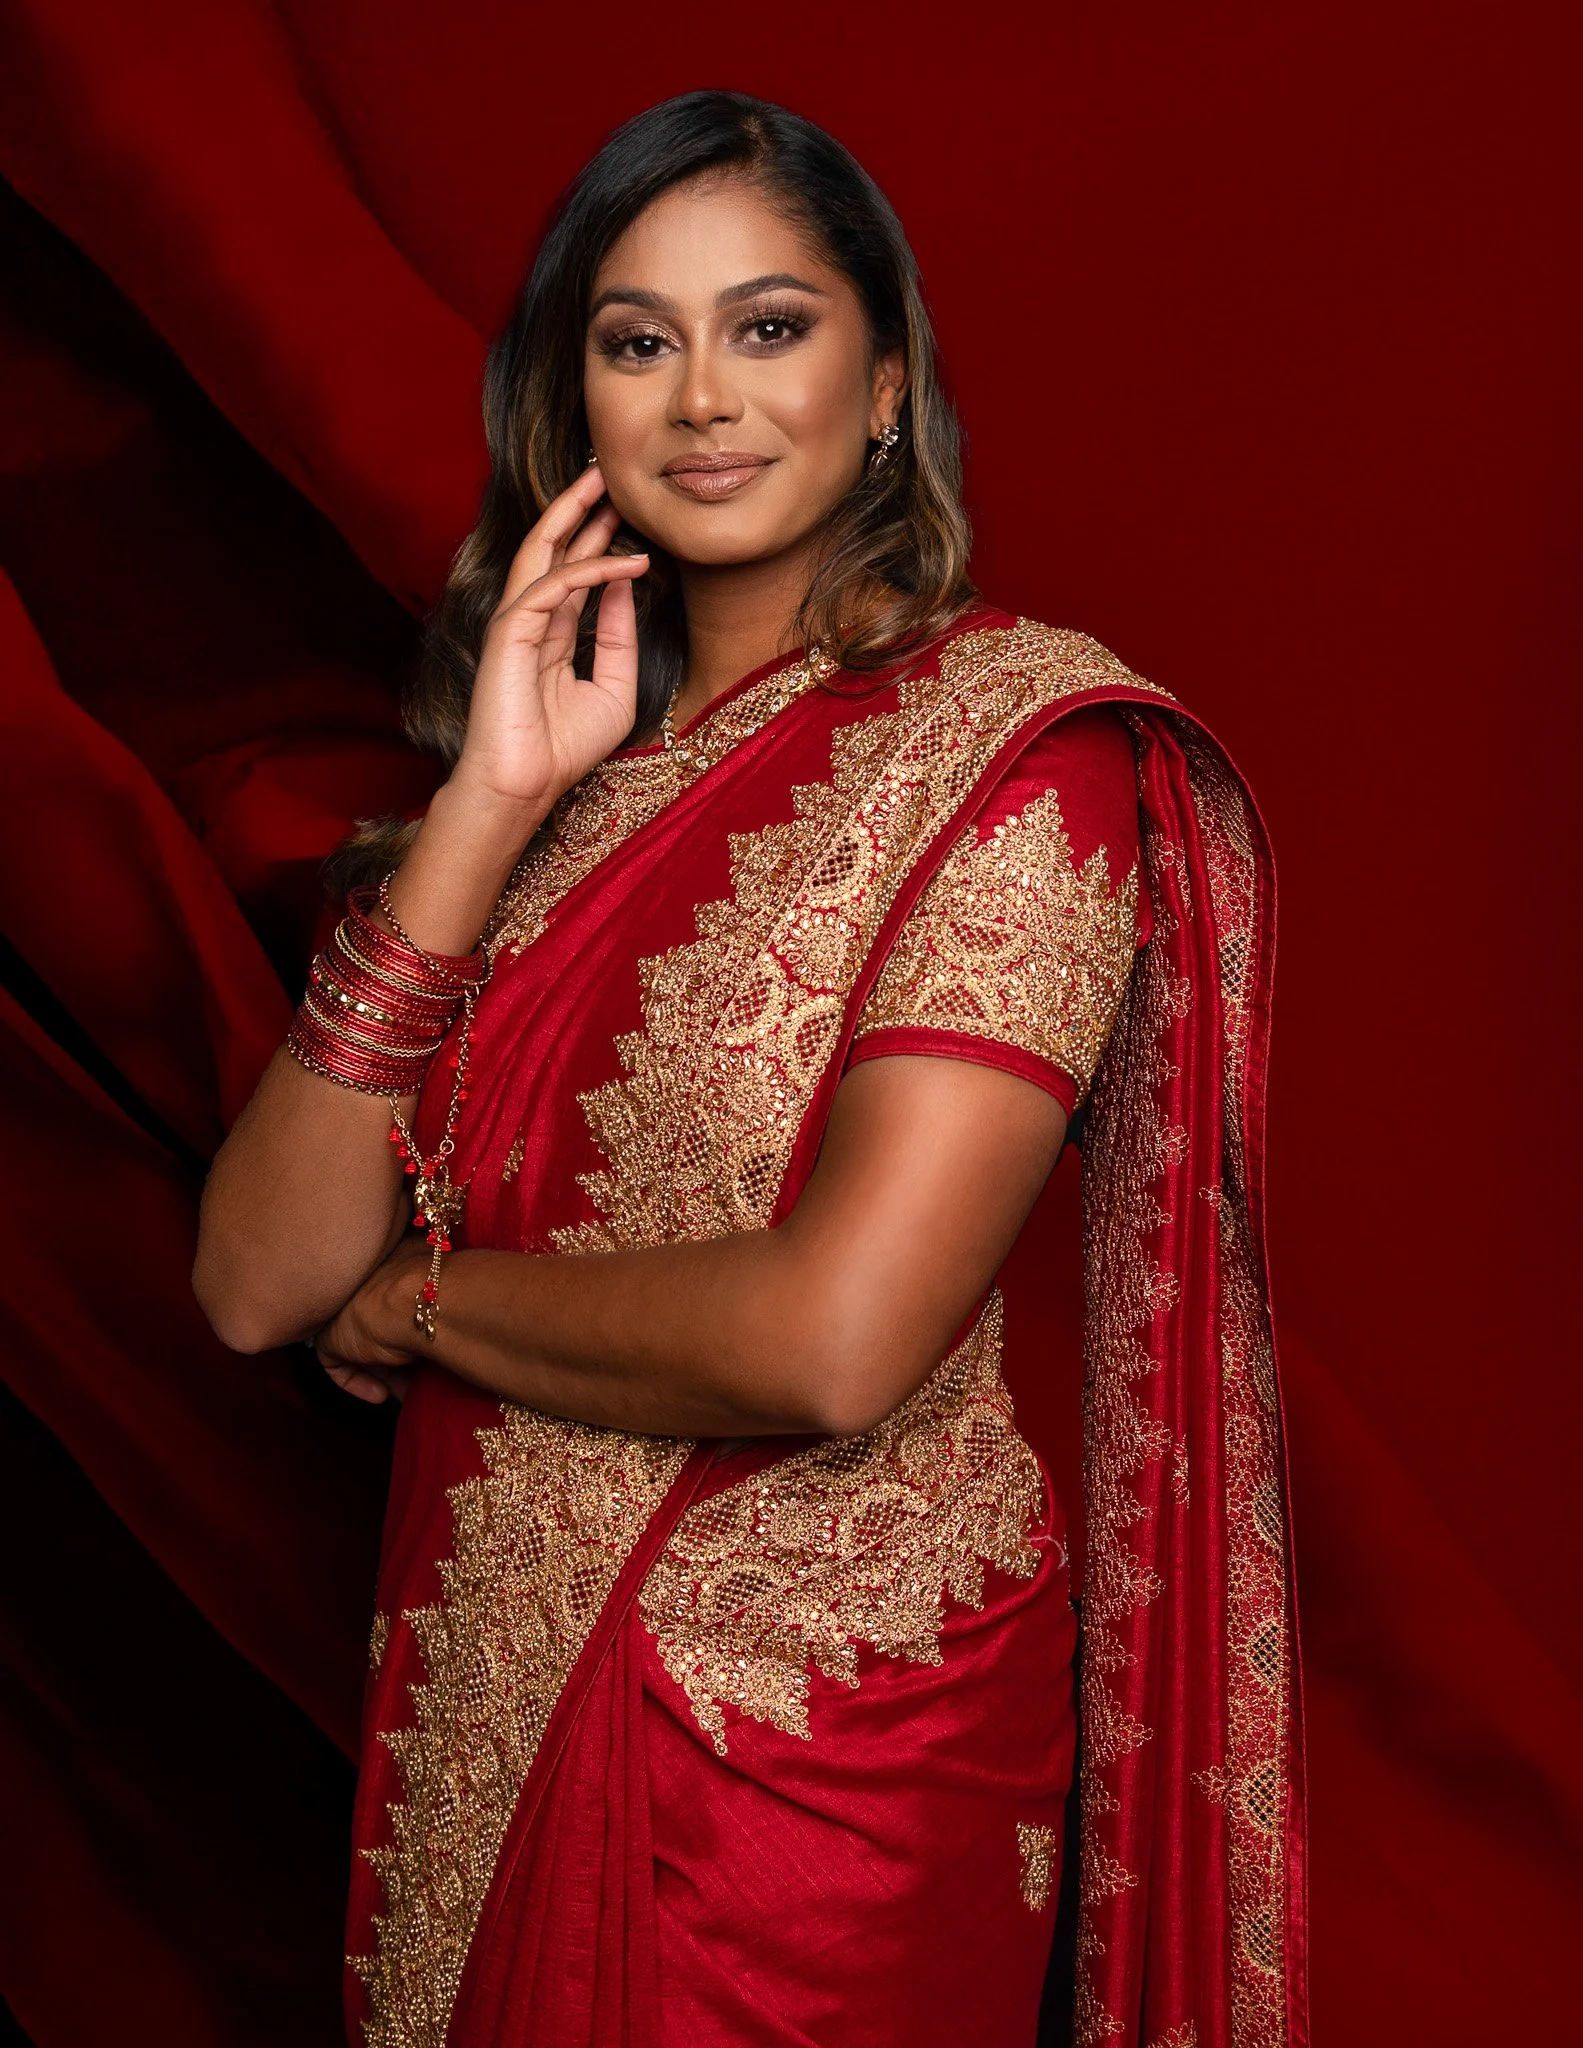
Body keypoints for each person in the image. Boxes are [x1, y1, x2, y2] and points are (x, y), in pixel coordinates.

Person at [194, 90, 1306, 2048]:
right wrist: (482, 805)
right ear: (577, 407)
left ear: (884, 386)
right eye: (639, 341)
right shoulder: (548, 817)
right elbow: (250, 1281)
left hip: (809, 1766)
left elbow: (833, 1335)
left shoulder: (1015, 762)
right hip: (483, 1709)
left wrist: (430, 1300)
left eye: (769, 326)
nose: (705, 395)